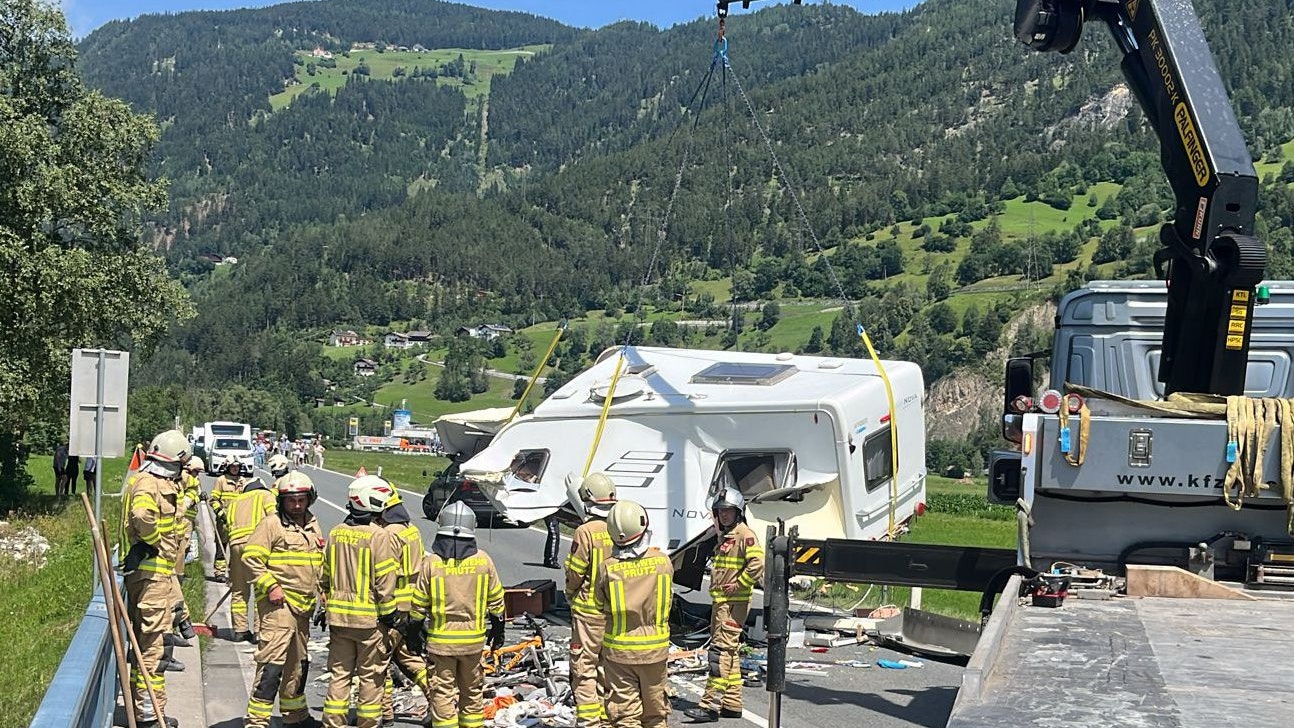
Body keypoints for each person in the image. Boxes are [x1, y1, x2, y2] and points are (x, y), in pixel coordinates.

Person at [407, 501, 506, 728]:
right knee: (472, 692)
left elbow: (418, 605)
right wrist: (498, 632)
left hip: (441, 644)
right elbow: (497, 603)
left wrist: (413, 635)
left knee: (442, 692)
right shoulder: (483, 560)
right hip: (472, 643)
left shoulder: (432, 562)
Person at [242, 471, 326, 728]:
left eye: (301, 500)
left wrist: (322, 591)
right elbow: (251, 558)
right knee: (272, 666)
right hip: (279, 605)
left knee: (297, 665)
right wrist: (271, 586)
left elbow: (318, 563)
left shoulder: (312, 524)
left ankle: (295, 716)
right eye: (291, 501)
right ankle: (257, 721)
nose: (297, 505)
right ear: (282, 501)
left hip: (303, 607)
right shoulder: (271, 524)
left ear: (309, 499)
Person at [120, 429, 190, 728]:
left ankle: (146, 711)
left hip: (150, 577)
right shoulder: (151, 484)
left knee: (146, 647)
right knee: (152, 649)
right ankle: (150, 716)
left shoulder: (142, 478)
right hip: (151, 579)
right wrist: (154, 542)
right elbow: (142, 516)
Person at [320, 476, 402, 728]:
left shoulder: (336, 533)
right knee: (370, 677)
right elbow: (385, 582)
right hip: (369, 622)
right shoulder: (379, 536)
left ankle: (333, 723)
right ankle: (367, 724)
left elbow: (324, 575)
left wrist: (324, 605)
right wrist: (390, 616)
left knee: (340, 675)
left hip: (339, 620)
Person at [684, 487, 765, 723]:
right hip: (722, 604)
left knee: (719, 653)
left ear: (738, 512)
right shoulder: (727, 537)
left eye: (728, 511)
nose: (724, 515)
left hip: (733, 605)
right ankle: (731, 703)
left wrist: (739, 584)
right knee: (730, 652)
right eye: (720, 512)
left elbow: (757, 564)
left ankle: (709, 705)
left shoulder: (744, 535)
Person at [594, 500, 673, 728]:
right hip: (655, 651)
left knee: (624, 715)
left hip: (620, 653)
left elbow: (600, 604)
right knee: (656, 714)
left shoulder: (607, 567)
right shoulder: (662, 562)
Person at [564, 473, 618, 728]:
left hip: (588, 612)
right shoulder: (620, 528)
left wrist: (570, 594)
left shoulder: (585, 532)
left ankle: (588, 721)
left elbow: (576, 571)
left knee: (585, 666)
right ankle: (607, 716)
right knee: (607, 667)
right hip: (615, 612)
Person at [374, 481, 430, 724]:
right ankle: (439, 701)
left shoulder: (387, 534)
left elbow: (384, 572)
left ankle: (385, 714)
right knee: (409, 658)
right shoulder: (411, 529)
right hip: (411, 607)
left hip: (392, 606)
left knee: (380, 662)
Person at [226, 459, 276, 642]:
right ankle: (258, 631)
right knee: (261, 588)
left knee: (239, 590)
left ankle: (239, 630)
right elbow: (274, 519)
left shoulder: (236, 501)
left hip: (236, 544)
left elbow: (228, 524)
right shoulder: (266, 496)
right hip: (257, 545)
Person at [164, 457, 205, 650]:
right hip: (171, 539)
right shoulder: (179, 479)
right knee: (172, 585)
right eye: (194, 471)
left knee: (174, 583)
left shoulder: (186, 480)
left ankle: (180, 624)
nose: (195, 475)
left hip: (179, 533)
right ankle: (181, 623)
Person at [210, 459, 251, 582]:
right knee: (221, 547)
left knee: (237, 548)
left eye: (237, 467)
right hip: (223, 521)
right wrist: (221, 514)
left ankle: (234, 573)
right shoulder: (221, 480)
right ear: (227, 467)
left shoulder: (243, 481)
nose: (235, 469)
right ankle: (219, 572)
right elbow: (213, 500)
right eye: (233, 466)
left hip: (239, 522)